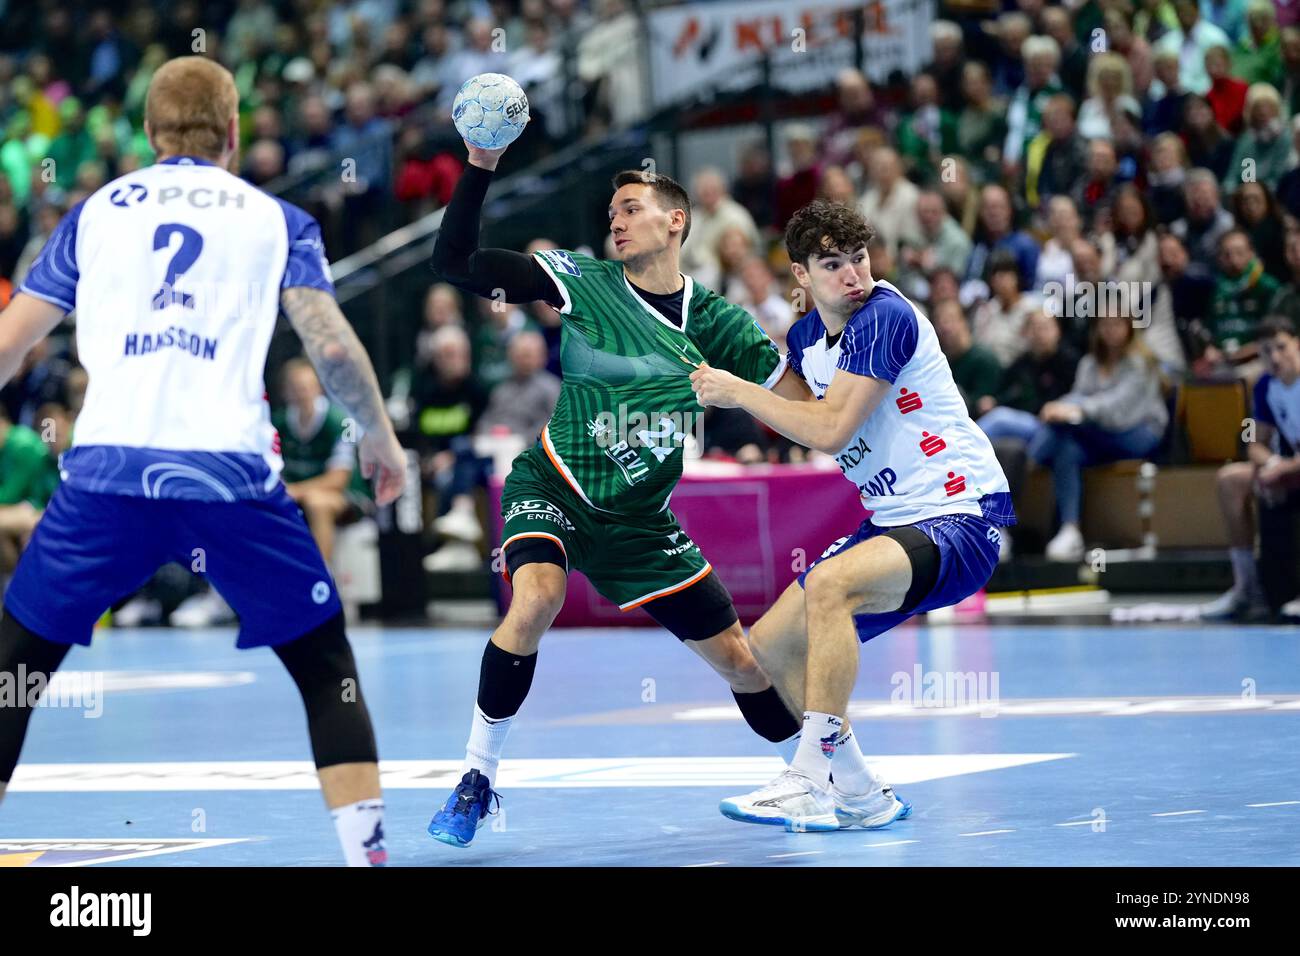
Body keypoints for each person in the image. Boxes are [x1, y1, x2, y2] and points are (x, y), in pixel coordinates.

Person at [0, 57, 407, 867]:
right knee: (326, 667)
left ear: (148, 135)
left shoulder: (93, 214)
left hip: (108, 476)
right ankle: (368, 860)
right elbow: (328, 344)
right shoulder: (275, 217)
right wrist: (378, 433)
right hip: (227, 474)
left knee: (15, 667)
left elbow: (10, 352)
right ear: (233, 132)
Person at [424, 130, 862, 848]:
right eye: (611, 215)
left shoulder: (719, 323)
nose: (616, 222)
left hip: (640, 521)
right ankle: (476, 779)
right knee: (536, 597)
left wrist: (828, 332)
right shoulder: (583, 282)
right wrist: (479, 167)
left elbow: (799, 406)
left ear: (676, 221)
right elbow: (455, 262)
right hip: (554, 485)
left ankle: (816, 778)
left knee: (743, 661)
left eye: (631, 208)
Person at [689, 199, 1015, 831]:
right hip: (891, 521)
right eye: (833, 264)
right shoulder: (809, 336)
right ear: (802, 277)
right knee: (773, 646)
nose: (853, 275)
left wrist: (736, 392)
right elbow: (798, 412)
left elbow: (833, 429)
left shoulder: (886, 315)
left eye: (858, 259)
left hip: (960, 516)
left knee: (831, 588)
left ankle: (810, 779)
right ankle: (862, 791)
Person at [1030, 312, 1170, 561]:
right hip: (1101, 434)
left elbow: (1119, 410)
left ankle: (1028, 463)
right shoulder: (1089, 363)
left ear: (1129, 327)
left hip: (1137, 433)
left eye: (1117, 324)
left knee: (1064, 428)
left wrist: (1076, 410)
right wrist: (1060, 407)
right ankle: (1070, 529)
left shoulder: (1141, 363)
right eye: (1105, 325)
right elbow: (1077, 396)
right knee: (1067, 448)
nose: (1110, 330)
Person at [1201, 315, 1300, 620]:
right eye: (1266, 350)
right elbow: (1254, 443)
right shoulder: (1265, 386)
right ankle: (1247, 587)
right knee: (1230, 480)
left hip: (1293, 467)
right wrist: (1271, 464)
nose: (1274, 357)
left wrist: (1283, 470)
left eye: (1281, 347)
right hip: (1290, 466)